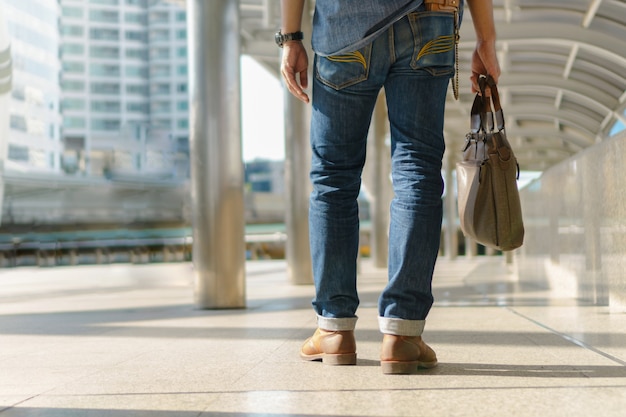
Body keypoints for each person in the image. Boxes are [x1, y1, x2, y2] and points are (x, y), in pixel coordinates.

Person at [278, 0, 500, 374]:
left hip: (343, 26)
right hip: (430, 18)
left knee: (334, 176)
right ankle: (403, 333)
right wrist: (486, 39)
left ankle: (333, 328)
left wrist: (290, 37)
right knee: (417, 169)